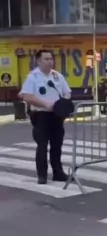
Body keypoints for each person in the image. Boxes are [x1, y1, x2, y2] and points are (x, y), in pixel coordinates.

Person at [19, 49, 71, 184]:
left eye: (51, 59)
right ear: (39, 61)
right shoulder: (33, 77)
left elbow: (67, 93)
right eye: (46, 59)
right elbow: (27, 96)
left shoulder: (57, 76)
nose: (50, 62)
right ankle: (42, 175)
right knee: (42, 146)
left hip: (57, 116)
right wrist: (45, 104)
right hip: (40, 115)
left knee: (57, 145)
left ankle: (58, 173)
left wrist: (62, 103)